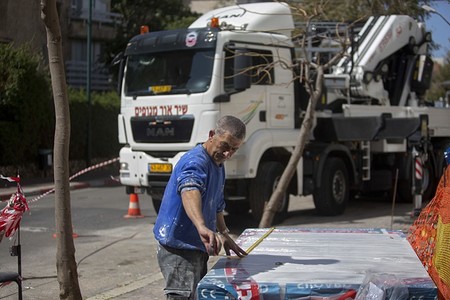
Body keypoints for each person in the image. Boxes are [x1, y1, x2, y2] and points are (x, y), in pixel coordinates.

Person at [153, 115, 248, 300]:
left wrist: (224, 233)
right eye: (225, 146)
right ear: (212, 135)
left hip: (197, 245)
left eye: (234, 149)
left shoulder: (218, 163)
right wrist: (201, 226)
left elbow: (217, 203)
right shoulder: (195, 161)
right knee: (182, 296)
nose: (228, 154)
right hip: (178, 247)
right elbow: (189, 190)